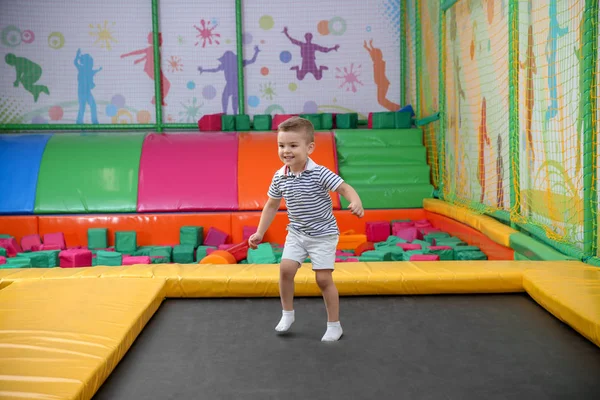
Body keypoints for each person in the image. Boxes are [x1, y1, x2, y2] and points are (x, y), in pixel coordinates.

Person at [248, 117, 364, 342]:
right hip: (297, 233)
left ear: (309, 147)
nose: (286, 151)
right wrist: (260, 232)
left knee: (323, 279)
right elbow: (271, 205)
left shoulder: (320, 173)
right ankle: (287, 314)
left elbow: (344, 188)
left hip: (323, 235)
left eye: (293, 145)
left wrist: (355, 200)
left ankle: (334, 325)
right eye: (281, 146)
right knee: (285, 269)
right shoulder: (280, 176)